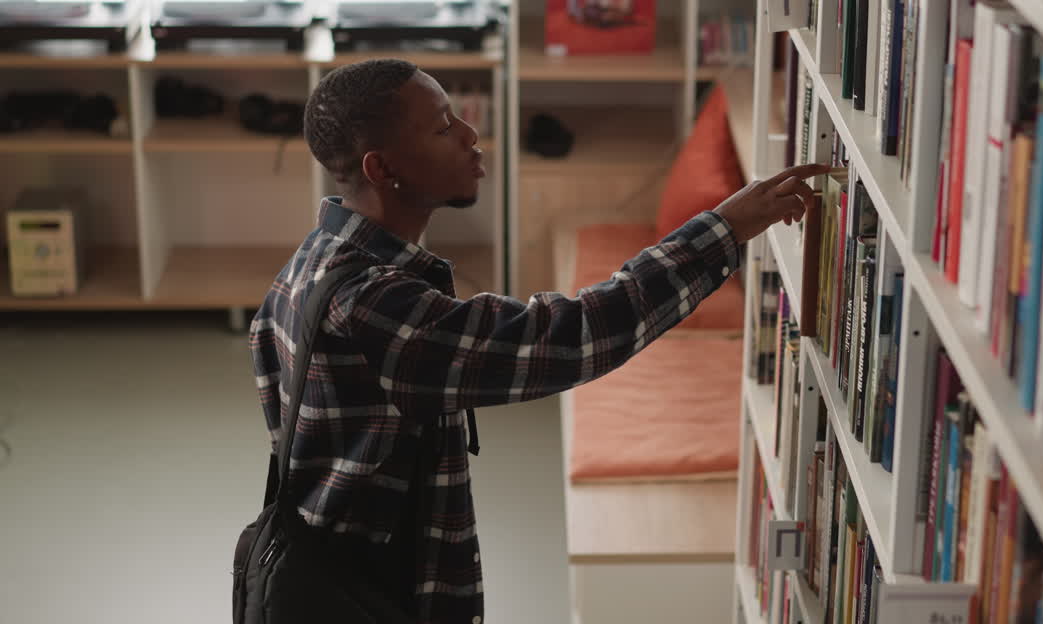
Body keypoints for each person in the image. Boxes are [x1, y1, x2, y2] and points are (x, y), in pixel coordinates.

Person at [249, 57, 829, 623]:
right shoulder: (376, 306)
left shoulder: (311, 262)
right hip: (374, 594)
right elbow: (564, 338)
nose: (472, 135)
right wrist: (721, 231)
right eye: (443, 127)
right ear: (381, 168)